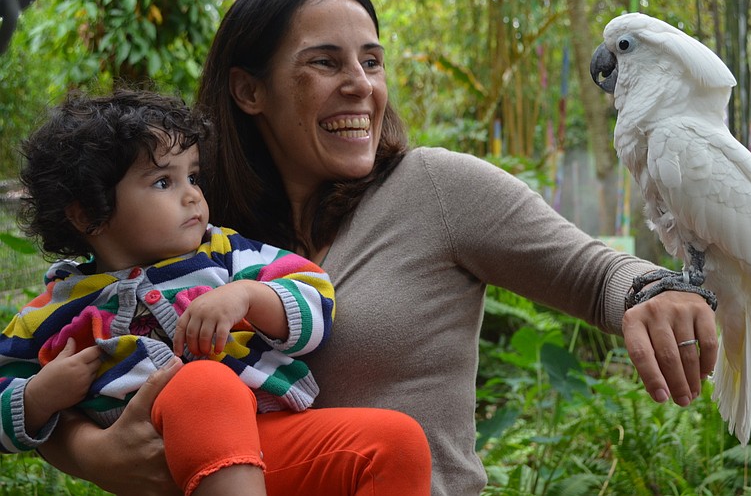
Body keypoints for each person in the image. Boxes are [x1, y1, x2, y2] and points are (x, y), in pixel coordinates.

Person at [38, 0, 718, 496]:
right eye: (326, 63)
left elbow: (597, 273)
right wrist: (86, 451)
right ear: (250, 92)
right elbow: (62, 348)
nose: (361, 86)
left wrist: (655, 293)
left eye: (371, 61)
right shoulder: (185, 225)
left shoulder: (436, 189)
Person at [5, 89, 431, 495]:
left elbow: (316, 295)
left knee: (396, 442)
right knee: (203, 383)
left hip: (265, 440)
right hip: (157, 456)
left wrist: (247, 296)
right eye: (162, 182)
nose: (192, 195)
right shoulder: (54, 310)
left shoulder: (225, 254)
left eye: (192, 176)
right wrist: (40, 396)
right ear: (88, 214)